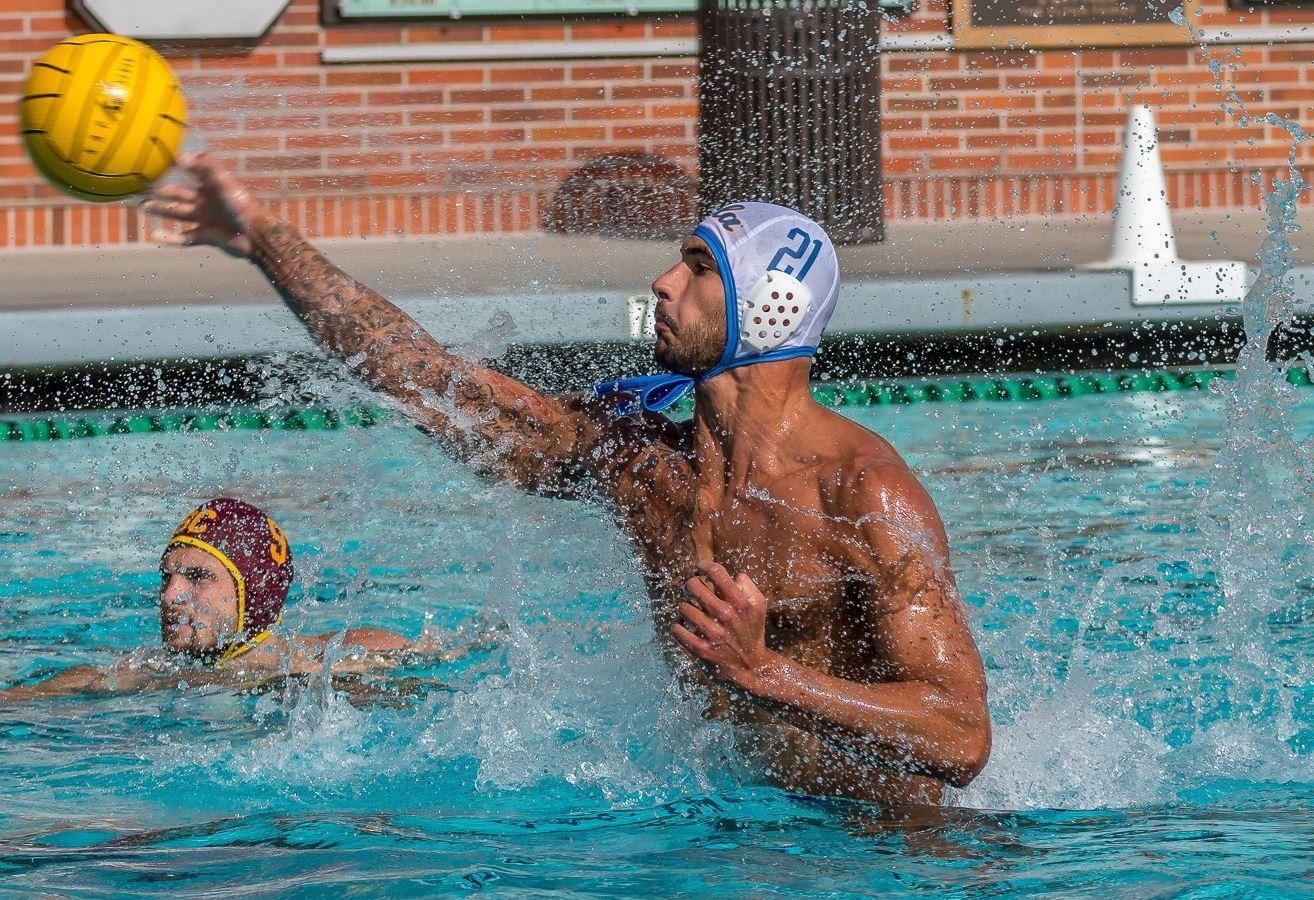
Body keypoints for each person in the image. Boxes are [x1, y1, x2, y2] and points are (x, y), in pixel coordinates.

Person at [145, 162, 992, 804]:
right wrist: (262, 239)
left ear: (770, 302)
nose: (663, 281)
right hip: (728, 820)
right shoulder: (641, 463)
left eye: (698, 267)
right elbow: (423, 376)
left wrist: (768, 673)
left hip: (876, 848)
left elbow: (960, 734)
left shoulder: (864, 496)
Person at [0, 498, 423, 704]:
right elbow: (78, 682)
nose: (171, 596)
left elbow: (414, 654)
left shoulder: (318, 656)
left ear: (252, 597)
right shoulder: (148, 671)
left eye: (196, 577)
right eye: (167, 577)